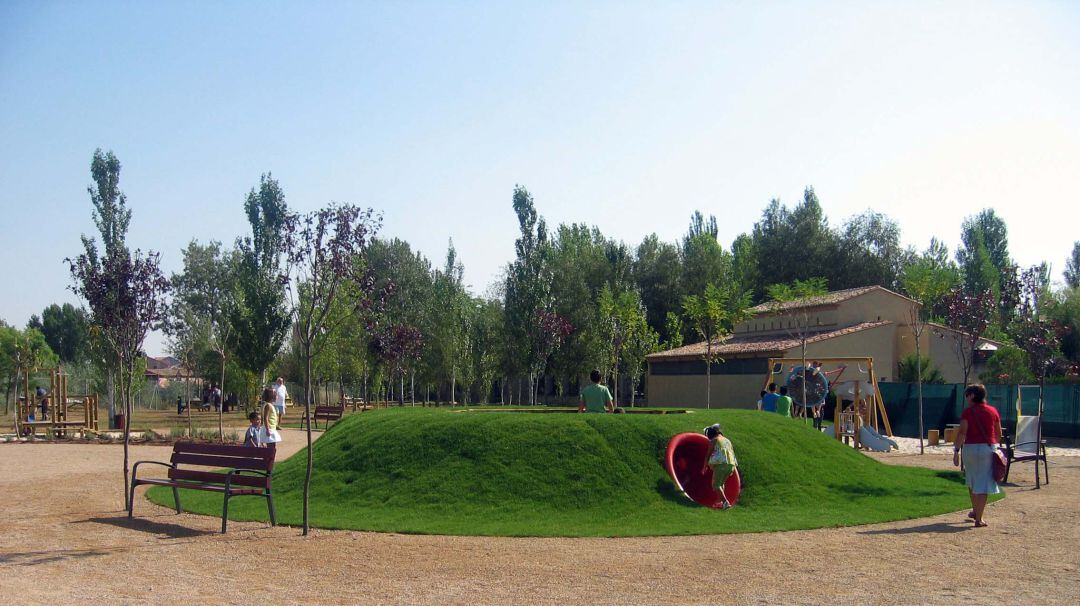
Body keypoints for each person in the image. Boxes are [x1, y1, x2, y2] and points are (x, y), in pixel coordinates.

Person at [953, 384, 1002, 528]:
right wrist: (994, 446)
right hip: (987, 448)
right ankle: (979, 518)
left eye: (967, 395)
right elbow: (998, 433)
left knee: (972, 480)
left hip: (970, 448)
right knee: (984, 483)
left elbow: (962, 432)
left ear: (972, 395)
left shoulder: (967, 412)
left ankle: (975, 511)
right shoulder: (993, 411)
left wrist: (956, 451)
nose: (966, 398)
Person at [702, 424, 738, 509]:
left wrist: (704, 466)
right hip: (731, 465)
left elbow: (708, 454)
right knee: (721, 483)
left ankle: (725, 502)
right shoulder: (727, 440)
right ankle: (720, 502)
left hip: (721, 464)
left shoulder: (714, 440)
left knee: (715, 484)